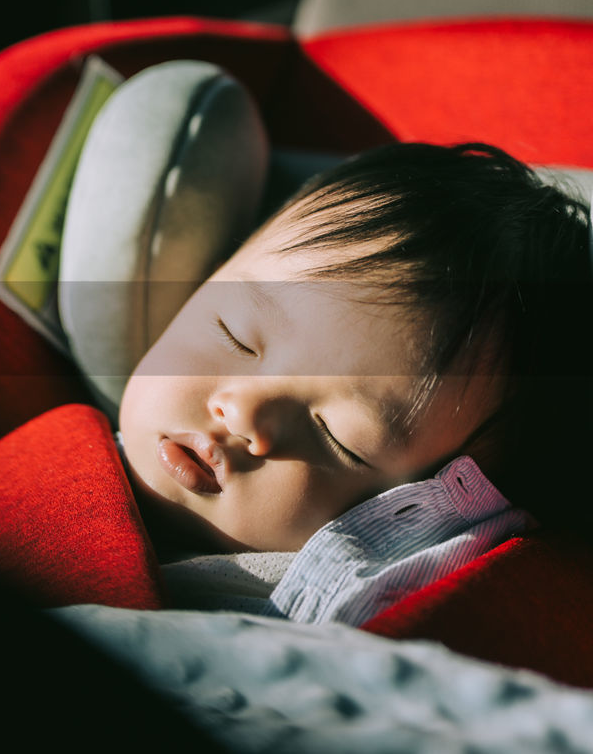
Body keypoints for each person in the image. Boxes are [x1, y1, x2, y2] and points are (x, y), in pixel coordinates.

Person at [115, 142, 592, 624]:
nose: (242, 412)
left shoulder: (327, 624)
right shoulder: (48, 417)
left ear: (424, 516)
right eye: (234, 338)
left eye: (340, 439)